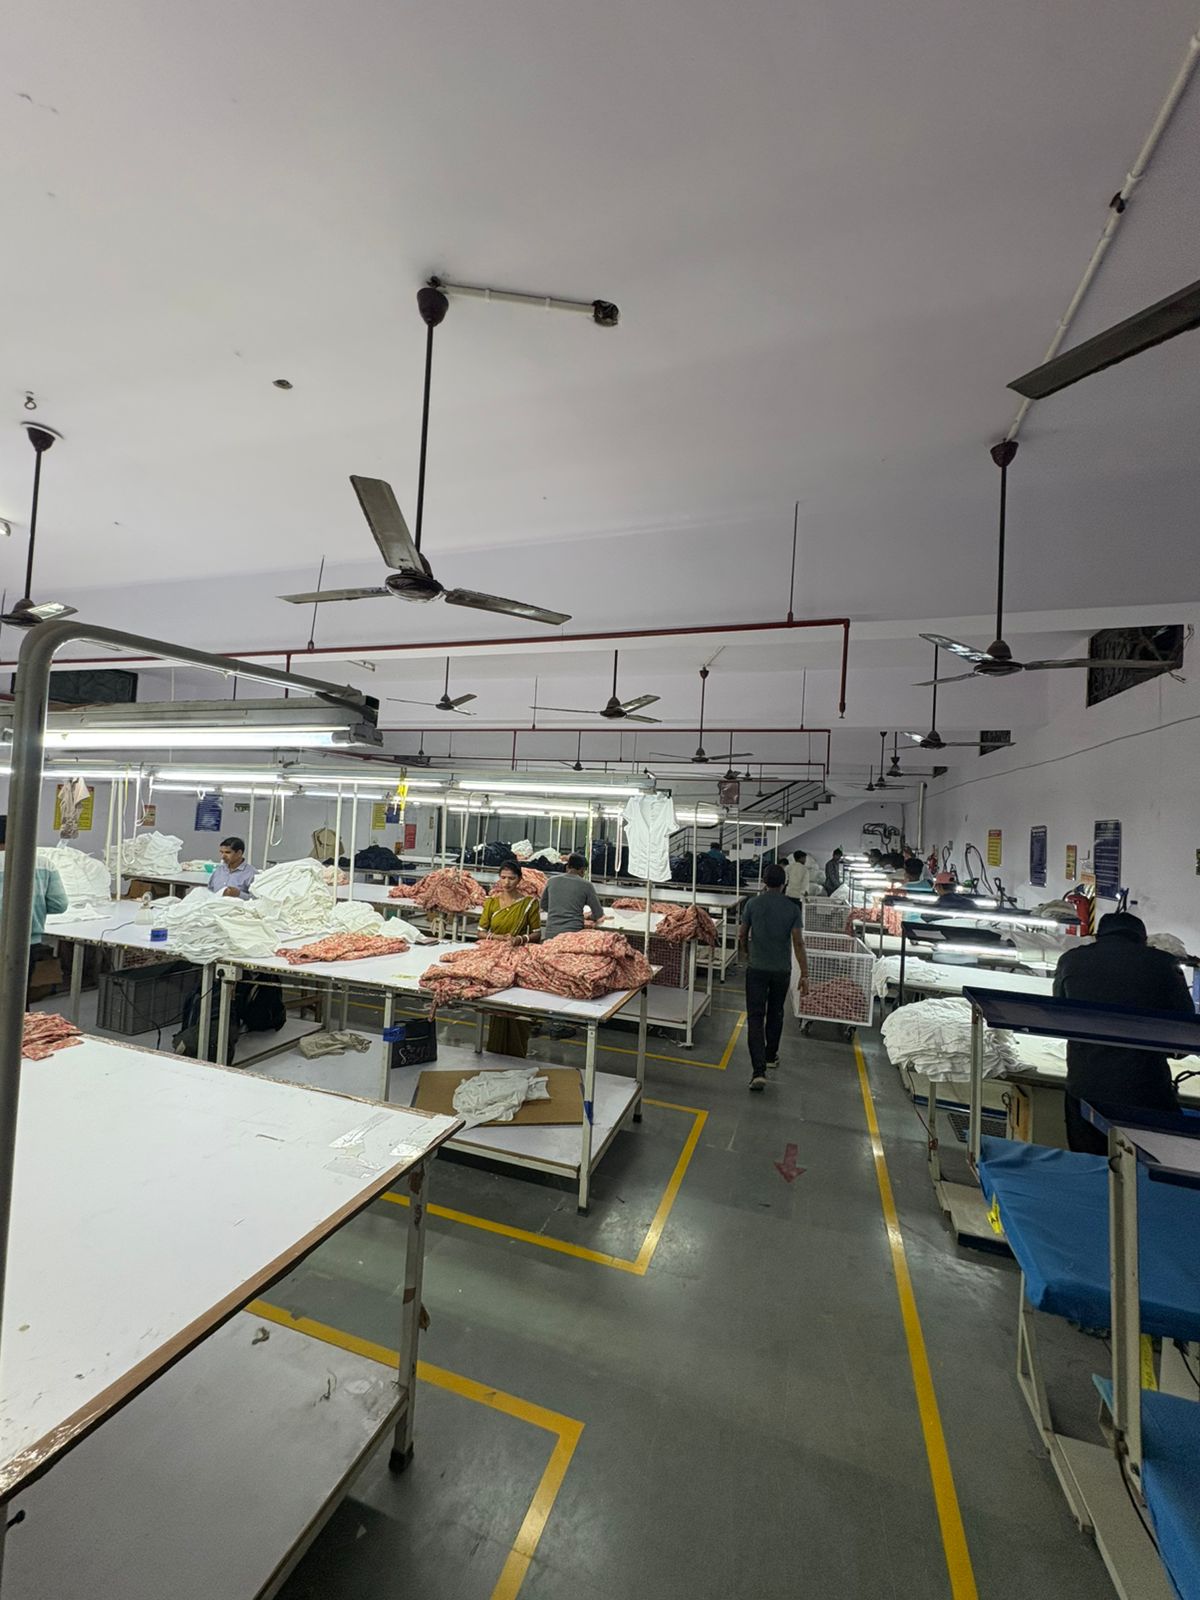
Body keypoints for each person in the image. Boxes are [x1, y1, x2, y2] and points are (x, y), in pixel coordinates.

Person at [1053, 912, 1195, 1154]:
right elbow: (1185, 1034)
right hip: (1144, 1089)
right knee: (1148, 1164)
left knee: (1090, 1163)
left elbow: (1059, 1016)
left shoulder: (1070, 960)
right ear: (1143, 939)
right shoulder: (1164, 964)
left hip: (1085, 1086)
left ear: (1098, 936)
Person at [740, 862, 809, 1091]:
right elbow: (798, 943)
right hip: (781, 970)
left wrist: (747, 953)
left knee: (755, 1017)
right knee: (776, 1013)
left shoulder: (752, 904)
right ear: (784, 883)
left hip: (756, 968)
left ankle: (758, 1071)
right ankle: (770, 1056)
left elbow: (742, 934)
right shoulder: (792, 909)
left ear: (764, 881)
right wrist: (805, 974)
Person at [0, 815, 70, 1000]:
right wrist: (34, 906)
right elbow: (59, 905)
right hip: (27, 942)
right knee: (18, 998)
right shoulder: (44, 864)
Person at [479, 858, 542, 1057]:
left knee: (516, 1000)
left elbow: (537, 933)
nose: (506, 882)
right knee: (497, 999)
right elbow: (481, 931)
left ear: (520, 879)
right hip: (494, 952)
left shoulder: (529, 903)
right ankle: (496, 1047)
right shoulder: (491, 902)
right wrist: (499, 938)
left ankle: (517, 1048)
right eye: (503, 877)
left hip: (518, 954)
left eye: (511, 878)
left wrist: (519, 939)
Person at [540, 854, 605, 1038]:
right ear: (583, 870)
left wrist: (560, 909)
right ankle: (558, 1026)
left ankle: (537, 1023)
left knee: (548, 979)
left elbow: (544, 905)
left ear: (567, 866)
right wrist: (582, 914)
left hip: (551, 936)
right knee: (566, 982)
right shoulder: (586, 885)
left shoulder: (552, 881)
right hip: (572, 939)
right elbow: (598, 913)